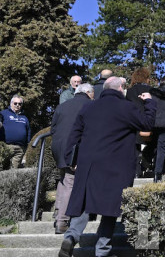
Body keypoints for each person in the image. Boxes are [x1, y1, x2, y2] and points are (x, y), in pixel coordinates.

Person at [58, 77, 156, 257]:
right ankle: (102, 249)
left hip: (89, 163)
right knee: (110, 208)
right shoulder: (126, 107)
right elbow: (147, 124)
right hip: (116, 165)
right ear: (120, 88)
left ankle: (71, 236)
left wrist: (71, 159)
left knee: (84, 202)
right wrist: (149, 102)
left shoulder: (88, 107)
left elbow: (74, 134)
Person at [51, 83, 94, 234]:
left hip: (57, 147)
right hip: (75, 148)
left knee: (64, 180)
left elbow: (53, 128)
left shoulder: (63, 105)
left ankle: (57, 213)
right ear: (89, 93)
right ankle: (62, 221)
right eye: (93, 93)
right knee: (70, 182)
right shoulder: (90, 105)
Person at [126, 67, 154, 177]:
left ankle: (136, 171)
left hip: (133, 121)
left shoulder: (130, 91)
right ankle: (146, 163)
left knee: (135, 148)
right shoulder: (150, 90)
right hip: (147, 120)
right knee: (153, 143)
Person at [0, 95, 31, 168]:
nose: (17, 105)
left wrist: (27, 145)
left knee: (13, 171)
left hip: (20, 148)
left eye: (20, 104)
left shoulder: (24, 117)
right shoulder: (3, 114)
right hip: (6, 146)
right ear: (11, 103)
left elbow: (28, 131)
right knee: (2, 168)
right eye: (15, 103)